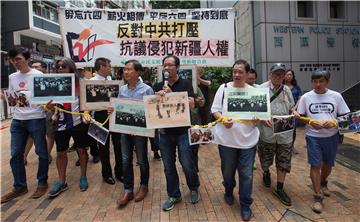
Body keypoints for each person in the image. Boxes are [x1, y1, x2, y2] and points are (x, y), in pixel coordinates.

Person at [293, 70, 350, 214]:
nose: (318, 84)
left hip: (331, 136)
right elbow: (300, 116)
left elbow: (345, 116)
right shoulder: (306, 97)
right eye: (315, 81)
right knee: (315, 164)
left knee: (328, 165)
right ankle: (317, 196)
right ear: (312, 82)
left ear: (327, 82)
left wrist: (334, 123)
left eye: (321, 81)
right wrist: (311, 122)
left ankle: (324, 181)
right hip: (313, 136)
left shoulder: (336, 96)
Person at [211, 59, 260, 221]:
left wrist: (256, 119)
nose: (237, 74)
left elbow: (258, 116)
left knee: (246, 174)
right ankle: (228, 190)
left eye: (240, 72)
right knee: (228, 171)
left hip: (248, 140)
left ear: (247, 74)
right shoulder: (224, 88)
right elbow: (215, 110)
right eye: (234, 71)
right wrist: (222, 119)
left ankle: (245, 204)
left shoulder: (254, 91)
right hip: (226, 141)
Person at [1, 48, 49, 203]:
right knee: (16, 154)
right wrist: (6, 97)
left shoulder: (38, 75)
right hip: (17, 119)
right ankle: (20, 186)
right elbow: (12, 97)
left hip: (36, 118)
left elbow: (46, 96)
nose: (16, 62)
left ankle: (42, 182)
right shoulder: (12, 77)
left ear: (27, 59)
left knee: (41, 152)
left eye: (18, 59)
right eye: (13, 59)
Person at [153, 55, 200, 211]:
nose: (166, 68)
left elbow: (192, 104)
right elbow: (153, 108)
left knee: (187, 162)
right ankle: (174, 194)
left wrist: (172, 94)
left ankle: (193, 187)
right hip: (165, 132)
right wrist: (157, 98)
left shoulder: (186, 84)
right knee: (168, 166)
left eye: (170, 65)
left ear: (177, 68)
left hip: (182, 131)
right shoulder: (158, 85)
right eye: (164, 65)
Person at [113, 60, 154, 207]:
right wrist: (113, 110)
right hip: (125, 131)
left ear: (138, 72)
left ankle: (144, 186)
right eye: (124, 69)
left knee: (142, 159)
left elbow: (151, 111)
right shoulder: (122, 89)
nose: (126, 72)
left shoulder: (147, 90)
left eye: (129, 69)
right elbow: (121, 108)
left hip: (140, 132)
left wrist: (138, 127)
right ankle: (128, 190)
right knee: (125, 160)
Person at [47, 58, 90, 198]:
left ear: (71, 68)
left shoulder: (80, 84)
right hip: (60, 125)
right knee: (60, 153)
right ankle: (61, 181)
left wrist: (86, 114)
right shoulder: (53, 84)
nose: (60, 69)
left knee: (82, 151)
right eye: (58, 67)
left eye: (63, 66)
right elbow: (52, 107)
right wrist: (50, 110)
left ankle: (83, 177)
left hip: (78, 123)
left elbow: (86, 103)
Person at [257, 63, 295, 206]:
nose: (278, 76)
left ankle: (279, 188)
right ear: (270, 74)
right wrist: (261, 118)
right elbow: (254, 110)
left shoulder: (287, 90)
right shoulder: (261, 89)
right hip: (267, 132)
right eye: (275, 74)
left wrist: (294, 111)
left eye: (281, 74)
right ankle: (266, 172)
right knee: (265, 158)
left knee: (283, 160)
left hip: (285, 133)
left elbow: (291, 107)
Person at [86, 57, 122, 185]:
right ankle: (106, 174)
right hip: (99, 118)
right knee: (103, 147)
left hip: (113, 116)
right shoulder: (90, 82)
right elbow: (87, 104)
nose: (110, 68)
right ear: (102, 67)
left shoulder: (111, 80)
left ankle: (119, 172)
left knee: (118, 145)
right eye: (109, 66)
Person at [24, 61, 55, 165]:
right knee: (30, 135)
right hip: (34, 112)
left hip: (48, 110)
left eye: (37, 67)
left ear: (44, 68)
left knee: (50, 133)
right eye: (33, 67)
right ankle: (24, 157)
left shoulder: (51, 80)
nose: (34, 68)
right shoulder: (29, 80)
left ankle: (47, 154)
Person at [283, 69, 302, 154]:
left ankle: (292, 146)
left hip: (293, 111)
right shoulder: (281, 86)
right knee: (283, 128)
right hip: (284, 111)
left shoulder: (296, 87)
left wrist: (294, 108)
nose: (289, 76)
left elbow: (299, 98)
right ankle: (284, 146)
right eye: (287, 74)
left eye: (291, 75)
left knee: (293, 129)